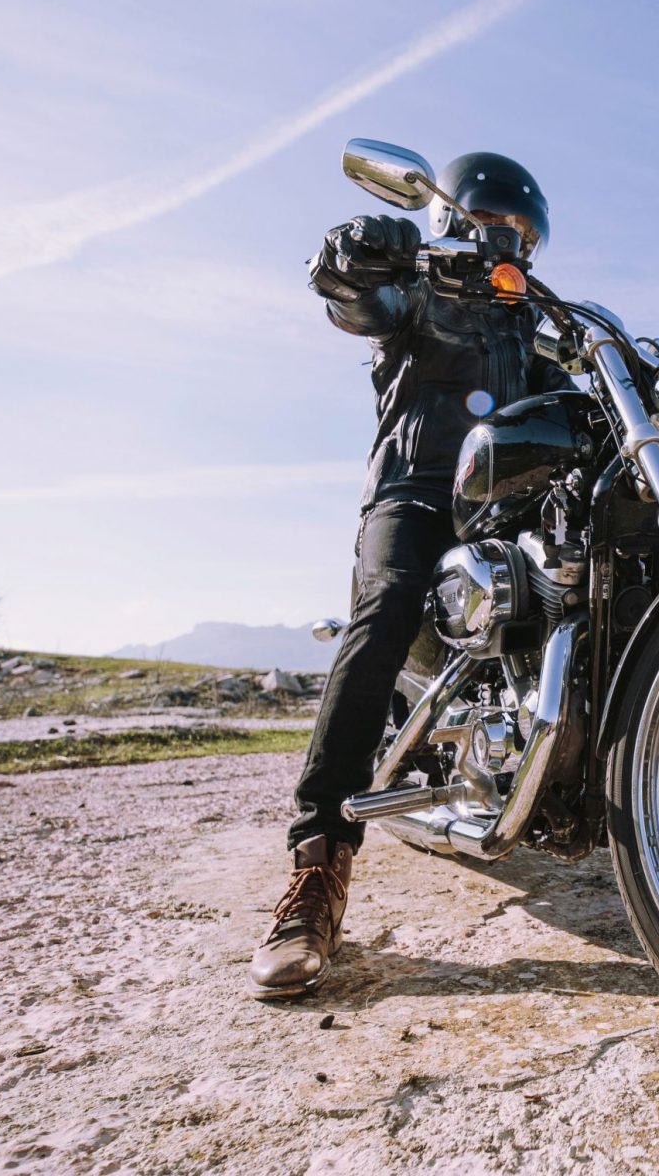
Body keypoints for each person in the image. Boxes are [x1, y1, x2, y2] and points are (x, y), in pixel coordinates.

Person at [250, 151, 570, 999]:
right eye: (496, 227)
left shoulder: (534, 332)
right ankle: (318, 866)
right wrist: (360, 250)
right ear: (455, 221)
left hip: (508, 510)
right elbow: (354, 296)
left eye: (524, 236)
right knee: (386, 606)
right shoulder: (418, 297)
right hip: (417, 493)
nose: (511, 246)